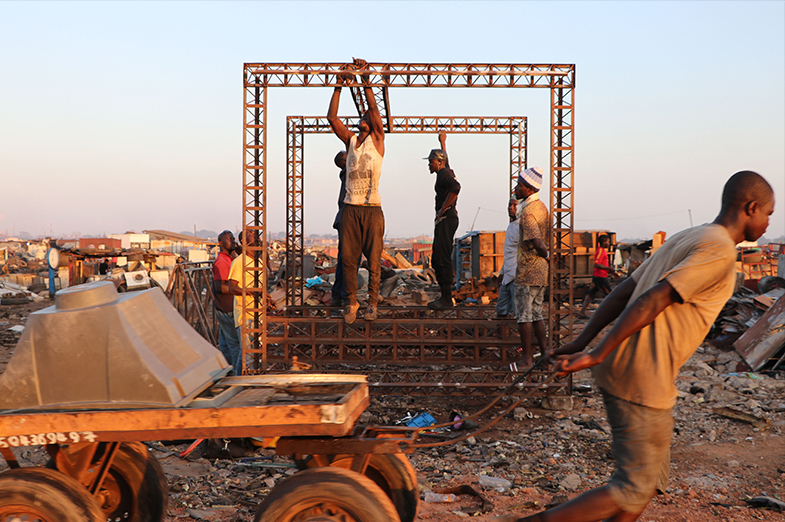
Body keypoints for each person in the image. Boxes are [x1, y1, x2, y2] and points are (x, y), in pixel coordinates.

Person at [495, 171, 774, 522]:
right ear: (751, 208)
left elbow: (626, 289)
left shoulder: (692, 235)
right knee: (633, 487)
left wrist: (584, 341)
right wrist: (595, 351)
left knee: (649, 482)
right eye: (768, 213)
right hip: (644, 378)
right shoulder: (718, 250)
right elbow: (654, 298)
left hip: (633, 372)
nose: (768, 222)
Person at [327, 58, 385, 324]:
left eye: (368, 119)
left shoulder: (378, 141)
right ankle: (352, 301)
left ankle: (372, 303)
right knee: (349, 260)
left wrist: (364, 77)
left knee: (373, 260)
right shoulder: (350, 141)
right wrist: (338, 85)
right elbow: (332, 118)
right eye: (362, 118)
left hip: (372, 209)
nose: (366, 119)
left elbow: (373, 107)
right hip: (351, 208)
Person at [511, 167, 549, 369]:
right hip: (541, 272)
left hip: (528, 271)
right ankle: (544, 357)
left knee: (524, 316)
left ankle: (526, 359)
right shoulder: (542, 207)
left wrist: (545, 253)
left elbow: (537, 243)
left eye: (519, 185)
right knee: (537, 315)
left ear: (528, 188)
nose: (515, 189)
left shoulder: (528, 212)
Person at [425, 130, 461, 309]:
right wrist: (442, 143)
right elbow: (448, 163)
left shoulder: (442, 174)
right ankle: (445, 296)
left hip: (446, 219)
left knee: (442, 258)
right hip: (446, 220)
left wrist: (443, 209)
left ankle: (446, 299)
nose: (429, 165)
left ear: (439, 162)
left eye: (431, 162)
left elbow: (456, 187)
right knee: (438, 256)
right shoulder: (445, 171)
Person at [228, 230, 265, 373]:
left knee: (250, 355)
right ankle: (244, 386)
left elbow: (259, 288)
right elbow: (233, 288)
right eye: (252, 235)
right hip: (245, 314)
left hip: (258, 314)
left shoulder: (258, 262)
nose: (257, 238)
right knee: (248, 356)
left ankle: (240, 382)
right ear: (243, 242)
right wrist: (254, 292)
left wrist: (265, 298)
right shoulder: (239, 262)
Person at [212, 230, 241, 373]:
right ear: (221, 243)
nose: (233, 241)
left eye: (233, 238)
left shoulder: (230, 259)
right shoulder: (222, 262)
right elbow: (219, 287)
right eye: (229, 239)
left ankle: (225, 372)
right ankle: (237, 374)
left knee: (225, 344)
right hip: (227, 308)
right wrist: (239, 290)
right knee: (235, 345)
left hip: (224, 307)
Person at [578, 234, 616, 319]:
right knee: (610, 295)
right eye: (608, 242)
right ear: (604, 242)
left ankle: (582, 312)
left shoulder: (601, 251)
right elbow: (597, 264)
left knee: (590, 294)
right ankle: (609, 313)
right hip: (600, 277)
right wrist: (608, 268)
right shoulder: (601, 251)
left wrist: (610, 270)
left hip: (598, 276)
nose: (609, 244)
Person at [330, 151, 350, 308]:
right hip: (347, 219)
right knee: (350, 259)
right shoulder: (349, 173)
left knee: (344, 258)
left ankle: (338, 295)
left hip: (343, 219)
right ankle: (344, 295)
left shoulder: (346, 174)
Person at [496, 197, 519, 318]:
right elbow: (509, 253)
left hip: (517, 276)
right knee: (501, 308)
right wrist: (502, 273)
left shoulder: (523, 227)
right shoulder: (511, 226)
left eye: (514, 205)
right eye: (510, 205)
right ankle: (503, 335)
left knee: (518, 311)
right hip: (508, 275)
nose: (511, 208)